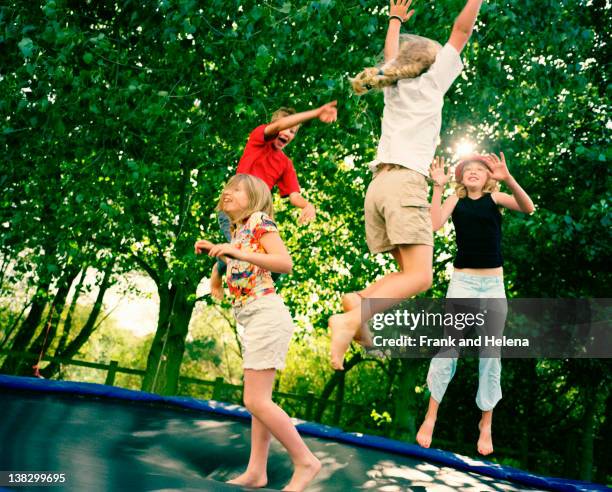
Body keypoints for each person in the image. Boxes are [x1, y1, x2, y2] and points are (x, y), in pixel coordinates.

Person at [329, 0, 484, 370]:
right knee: (421, 277)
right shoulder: (432, 80)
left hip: (378, 187)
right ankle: (352, 317)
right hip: (405, 184)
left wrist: (395, 19)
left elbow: (390, 55)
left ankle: (358, 309)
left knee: (404, 274)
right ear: (432, 61)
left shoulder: (394, 85)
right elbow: (461, 32)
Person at [194, 174, 321, 491]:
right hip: (249, 317)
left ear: (255, 198)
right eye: (228, 188)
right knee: (258, 401)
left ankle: (305, 461)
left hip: (266, 314)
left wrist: (237, 253)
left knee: (255, 400)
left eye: (237, 189)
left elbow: (283, 262)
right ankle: (256, 471)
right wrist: (220, 251)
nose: (228, 192)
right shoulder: (238, 231)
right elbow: (242, 262)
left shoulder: (260, 220)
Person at [416, 153, 535, 456]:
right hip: (463, 284)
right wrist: (438, 188)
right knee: (449, 348)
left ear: (488, 177)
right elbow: (434, 224)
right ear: (461, 178)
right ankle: (431, 416)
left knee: (490, 353)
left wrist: (507, 178)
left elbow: (528, 207)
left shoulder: (495, 198)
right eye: (467, 169)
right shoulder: (456, 201)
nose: (472, 172)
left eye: (479, 170)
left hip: (493, 286)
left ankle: (486, 423)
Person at [209, 102, 338, 299]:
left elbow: (294, 195)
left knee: (270, 262)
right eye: (285, 127)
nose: (288, 133)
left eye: (293, 132)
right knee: (241, 251)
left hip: (256, 218)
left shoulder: (285, 164)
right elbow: (278, 127)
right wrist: (315, 113)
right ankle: (219, 270)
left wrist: (307, 205)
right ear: (273, 126)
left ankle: (254, 294)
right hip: (234, 212)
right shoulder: (258, 140)